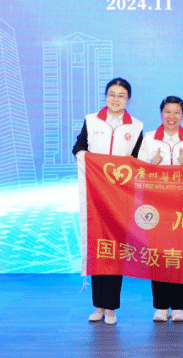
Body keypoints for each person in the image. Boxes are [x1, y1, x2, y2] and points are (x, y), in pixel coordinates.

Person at [72, 77, 143, 325]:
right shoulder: (91, 120)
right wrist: (95, 164)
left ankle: (111, 308)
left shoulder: (136, 126)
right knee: (98, 247)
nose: (116, 99)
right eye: (112, 94)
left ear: (128, 99)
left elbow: (136, 160)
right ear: (105, 96)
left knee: (115, 250)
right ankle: (98, 306)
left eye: (121, 95)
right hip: (95, 195)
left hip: (121, 196)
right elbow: (78, 149)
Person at [138, 95, 183, 322]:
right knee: (158, 253)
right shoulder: (149, 139)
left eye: (176, 112)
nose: (171, 117)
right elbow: (138, 171)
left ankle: (178, 307)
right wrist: (150, 165)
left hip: (182, 205)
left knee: (180, 253)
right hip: (155, 205)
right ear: (161, 114)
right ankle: (161, 306)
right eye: (167, 112)